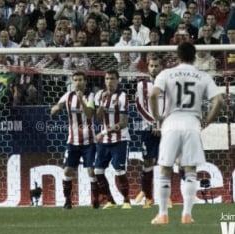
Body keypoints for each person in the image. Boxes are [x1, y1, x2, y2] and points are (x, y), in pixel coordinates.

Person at [149, 42, 223, 224]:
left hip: (171, 122)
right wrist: (208, 120)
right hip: (192, 123)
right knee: (190, 169)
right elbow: (219, 100)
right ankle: (187, 214)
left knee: (165, 169)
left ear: (178, 56)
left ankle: (163, 214)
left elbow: (153, 95)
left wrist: (158, 116)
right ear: (194, 55)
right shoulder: (202, 75)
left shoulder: (166, 73)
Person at [50, 71, 99, 209]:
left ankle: (95, 199)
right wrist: (55, 109)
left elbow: (89, 114)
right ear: (72, 82)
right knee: (67, 171)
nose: (78, 82)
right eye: (75, 80)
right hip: (72, 142)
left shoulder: (91, 96)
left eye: (80, 80)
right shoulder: (68, 96)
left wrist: (81, 100)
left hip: (89, 142)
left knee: (91, 171)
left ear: (85, 82)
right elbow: (56, 108)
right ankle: (67, 201)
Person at [94, 69, 131, 209]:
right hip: (104, 141)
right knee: (98, 171)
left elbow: (123, 123)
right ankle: (111, 201)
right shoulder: (99, 95)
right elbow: (97, 118)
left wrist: (103, 132)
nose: (109, 81)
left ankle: (127, 201)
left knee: (119, 171)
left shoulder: (122, 96)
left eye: (112, 79)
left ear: (118, 80)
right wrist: (102, 103)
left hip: (119, 140)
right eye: (107, 79)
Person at [134, 56, 164, 208]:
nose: (153, 68)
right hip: (148, 127)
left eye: (156, 65)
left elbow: (170, 104)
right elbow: (140, 106)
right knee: (147, 161)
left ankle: (166, 197)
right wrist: (153, 123)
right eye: (151, 66)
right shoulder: (141, 85)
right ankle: (148, 196)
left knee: (167, 162)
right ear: (148, 68)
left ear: (161, 67)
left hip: (164, 127)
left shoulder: (167, 84)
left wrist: (161, 123)